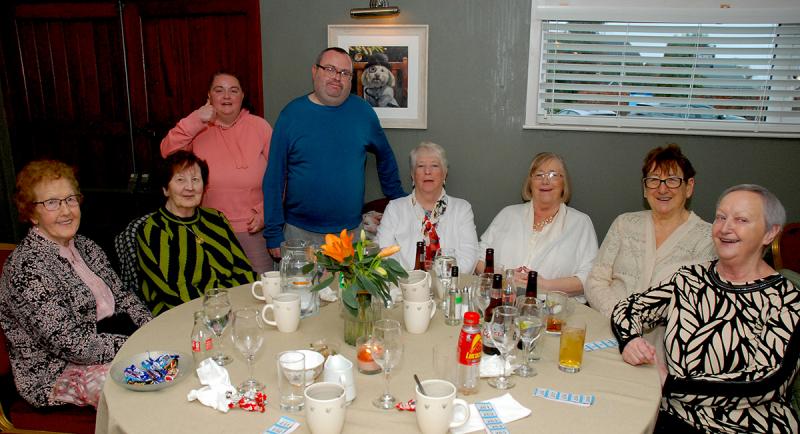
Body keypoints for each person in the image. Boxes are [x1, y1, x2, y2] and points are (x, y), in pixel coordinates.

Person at [611, 184, 799, 433]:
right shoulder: (689, 279)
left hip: (748, 425)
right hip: (673, 415)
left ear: (769, 233)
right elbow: (627, 309)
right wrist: (631, 341)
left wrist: (671, 384)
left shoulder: (788, 300)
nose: (725, 228)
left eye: (741, 220)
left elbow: (766, 383)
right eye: (721, 217)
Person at [0, 160, 152, 408]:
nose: (66, 211)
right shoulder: (25, 269)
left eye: (70, 199)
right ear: (31, 213)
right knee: (144, 391)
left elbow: (124, 297)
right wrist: (136, 343)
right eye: (52, 203)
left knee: (176, 365)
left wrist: (150, 329)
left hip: (111, 345)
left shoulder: (85, 245)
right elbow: (70, 344)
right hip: (57, 371)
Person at [262, 47, 405, 257]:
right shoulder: (291, 115)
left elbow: (385, 157)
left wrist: (399, 202)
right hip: (298, 234)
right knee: (298, 291)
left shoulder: (363, 112)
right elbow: (274, 177)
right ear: (314, 71)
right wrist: (273, 232)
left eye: (344, 73)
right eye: (330, 69)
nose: (337, 77)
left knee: (349, 291)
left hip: (349, 235)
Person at [585, 144, 716, 318]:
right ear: (645, 188)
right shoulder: (624, 224)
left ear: (689, 186)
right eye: (654, 179)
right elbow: (596, 281)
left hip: (665, 340)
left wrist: (635, 323)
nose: (662, 189)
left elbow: (696, 302)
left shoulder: (708, 238)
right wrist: (621, 319)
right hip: (610, 327)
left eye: (672, 180)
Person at [161, 71, 273, 273]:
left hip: (252, 228)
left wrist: (265, 212)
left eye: (233, 90)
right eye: (219, 90)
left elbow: (280, 176)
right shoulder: (197, 129)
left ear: (242, 96)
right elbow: (166, 151)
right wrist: (195, 119)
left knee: (261, 288)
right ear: (209, 97)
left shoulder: (260, 127)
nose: (227, 96)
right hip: (207, 228)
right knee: (217, 291)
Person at [137, 150, 256, 316]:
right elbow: (174, 292)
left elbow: (245, 272)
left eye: (195, 180)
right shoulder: (153, 230)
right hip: (180, 318)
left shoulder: (216, 219)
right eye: (180, 180)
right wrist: (217, 309)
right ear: (165, 189)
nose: (190, 187)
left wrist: (228, 305)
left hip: (231, 309)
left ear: (204, 186)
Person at [475, 152, 598, 299]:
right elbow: (479, 259)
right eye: (539, 175)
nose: (545, 181)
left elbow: (589, 279)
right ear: (530, 183)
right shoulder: (508, 214)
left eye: (553, 175)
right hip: (501, 304)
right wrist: (504, 276)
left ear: (564, 183)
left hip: (555, 312)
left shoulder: (580, 223)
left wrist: (545, 285)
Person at [376, 141, 478, 272]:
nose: (427, 171)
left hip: (449, 287)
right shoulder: (395, 208)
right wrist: (412, 280)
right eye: (420, 166)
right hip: (404, 287)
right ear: (412, 174)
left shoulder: (462, 209)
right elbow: (383, 252)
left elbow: (469, 258)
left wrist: (440, 275)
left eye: (434, 166)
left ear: (445, 173)